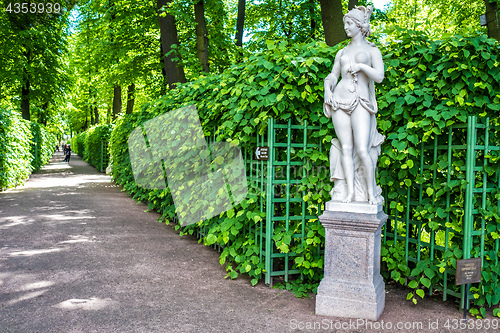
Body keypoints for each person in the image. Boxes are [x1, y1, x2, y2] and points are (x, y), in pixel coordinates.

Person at [323, 5, 385, 205]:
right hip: (340, 101)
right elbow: (333, 76)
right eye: (345, 24)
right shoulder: (341, 52)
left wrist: (361, 67)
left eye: (349, 23)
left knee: (361, 149)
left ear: (360, 25)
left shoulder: (372, 50)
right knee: (346, 148)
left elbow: (380, 77)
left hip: (361, 101)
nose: (346, 27)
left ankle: (370, 192)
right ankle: (350, 193)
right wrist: (327, 89)